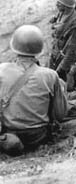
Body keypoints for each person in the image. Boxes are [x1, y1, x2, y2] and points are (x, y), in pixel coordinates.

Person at [0, 25, 68, 155]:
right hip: (38, 136)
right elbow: (60, 114)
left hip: (10, 133)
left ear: (14, 48)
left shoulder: (2, 71)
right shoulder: (50, 75)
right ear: (38, 50)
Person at [49, 0, 76, 90]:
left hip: (65, 65)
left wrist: (60, 70)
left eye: (59, 3)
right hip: (55, 57)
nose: (56, 4)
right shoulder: (62, 13)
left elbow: (72, 51)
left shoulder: (75, 24)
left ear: (66, 5)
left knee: (65, 91)